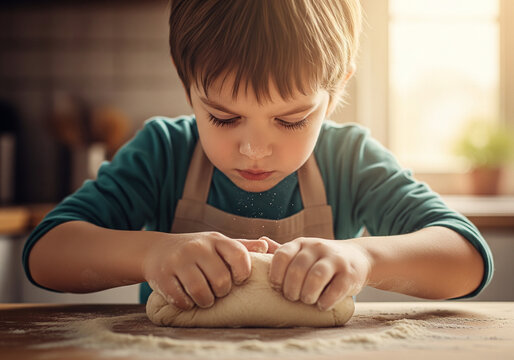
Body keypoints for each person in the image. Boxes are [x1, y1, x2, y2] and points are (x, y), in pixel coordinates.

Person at [23, 0, 493, 312]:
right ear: (186, 81)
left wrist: (365, 258)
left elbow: (467, 259)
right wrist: (151, 254)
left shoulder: (349, 160)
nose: (253, 148)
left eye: (291, 121)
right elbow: (46, 254)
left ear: (336, 90)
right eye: (224, 118)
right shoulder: (163, 153)